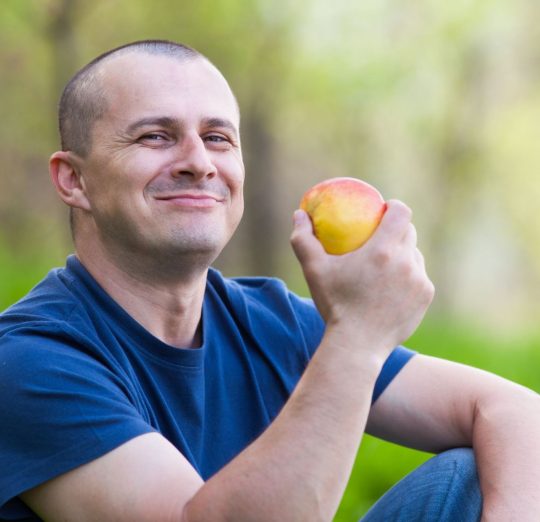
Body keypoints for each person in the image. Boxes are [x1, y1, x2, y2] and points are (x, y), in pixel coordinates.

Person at [0, 39, 538, 522]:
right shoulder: (28, 360)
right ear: (73, 179)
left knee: (476, 472)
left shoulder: (272, 321)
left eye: (217, 138)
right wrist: (356, 337)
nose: (199, 163)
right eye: (156, 136)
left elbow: (514, 411)